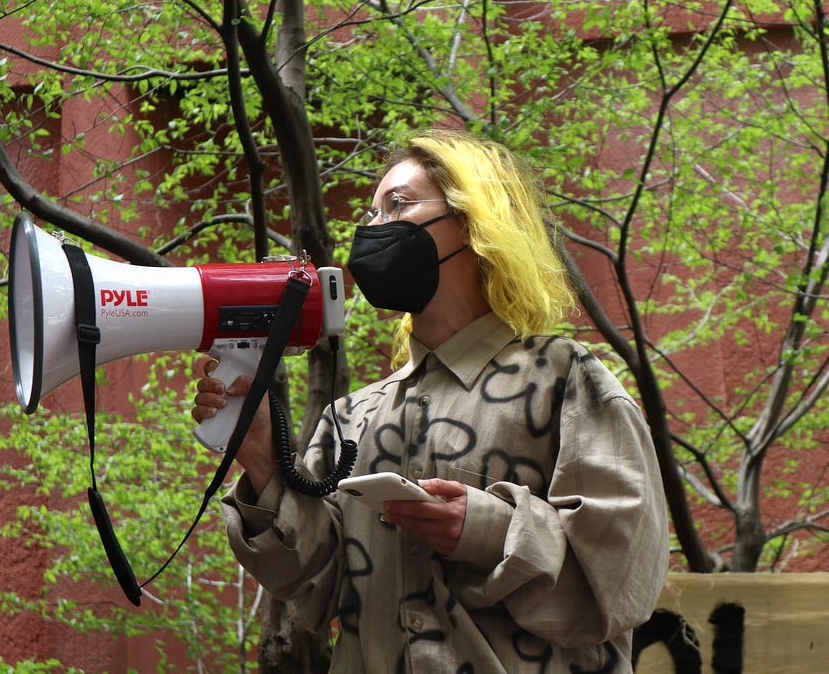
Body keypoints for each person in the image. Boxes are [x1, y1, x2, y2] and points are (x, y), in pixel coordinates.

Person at [192, 129, 669, 673]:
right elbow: (312, 590)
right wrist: (262, 462)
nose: (372, 229)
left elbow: (624, 573)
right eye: (371, 213)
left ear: (473, 221)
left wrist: (490, 531)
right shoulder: (350, 417)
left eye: (398, 204)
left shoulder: (564, 379)